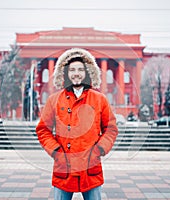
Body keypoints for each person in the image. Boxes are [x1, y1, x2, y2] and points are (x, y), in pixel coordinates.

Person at [36, 48, 118, 200]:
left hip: (90, 167)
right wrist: (56, 152)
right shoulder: (54, 100)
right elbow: (43, 130)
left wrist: (98, 150)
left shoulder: (99, 99)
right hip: (64, 168)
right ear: (65, 73)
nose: (76, 73)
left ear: (87, 72)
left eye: (81, 69)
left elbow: (111, 129)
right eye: (72, 69)